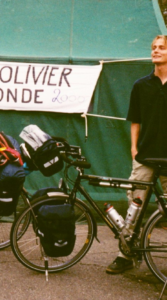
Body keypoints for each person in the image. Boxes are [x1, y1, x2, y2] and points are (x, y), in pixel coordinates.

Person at [106, 35, 167, 274]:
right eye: (153, 48)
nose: (156, 51)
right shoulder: (141, 85)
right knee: (135, 208)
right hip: (146, 156)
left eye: (162, 48)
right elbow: (135, 120)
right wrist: (134, 149)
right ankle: (125, 255)